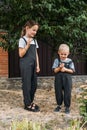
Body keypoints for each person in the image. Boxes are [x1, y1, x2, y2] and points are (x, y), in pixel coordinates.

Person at [18, 20, 40, 112]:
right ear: (27, 28)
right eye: (33, 30)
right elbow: (21, 54)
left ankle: (30, 101)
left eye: (36, 31)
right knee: (27, 85)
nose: (35, 32)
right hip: (25, 65)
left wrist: (38, 65)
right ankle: (27, 104)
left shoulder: (34, 40)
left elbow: (35, 54)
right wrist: (27, 45)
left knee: (34, 84)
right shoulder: (22, 40)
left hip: (33, 65)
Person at [52, 44, 75, 114]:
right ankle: (59, 105)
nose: (63, 56)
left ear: (68, 53)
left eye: (65, 54)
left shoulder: (70, 61)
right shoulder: (57, 60)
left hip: (67, 79)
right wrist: (59, 68)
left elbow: (72, 71)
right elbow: (55, 70)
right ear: (58, 52)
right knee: (58, 92)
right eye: (61, 54)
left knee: (67, 92)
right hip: (58, 79)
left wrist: (65, 69)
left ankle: (67, 107)